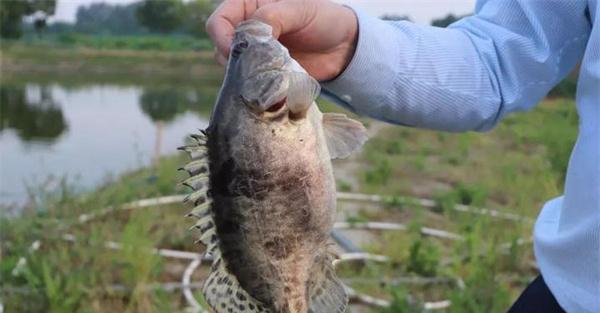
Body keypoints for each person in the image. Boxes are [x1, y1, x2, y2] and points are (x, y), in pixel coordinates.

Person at [205, 0, 599, 312]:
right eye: (242, 54)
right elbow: (497, 58)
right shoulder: (280, 107)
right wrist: (348, 45)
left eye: (242, 52)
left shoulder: (278, 106)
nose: (245, 45)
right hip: (571, 292)